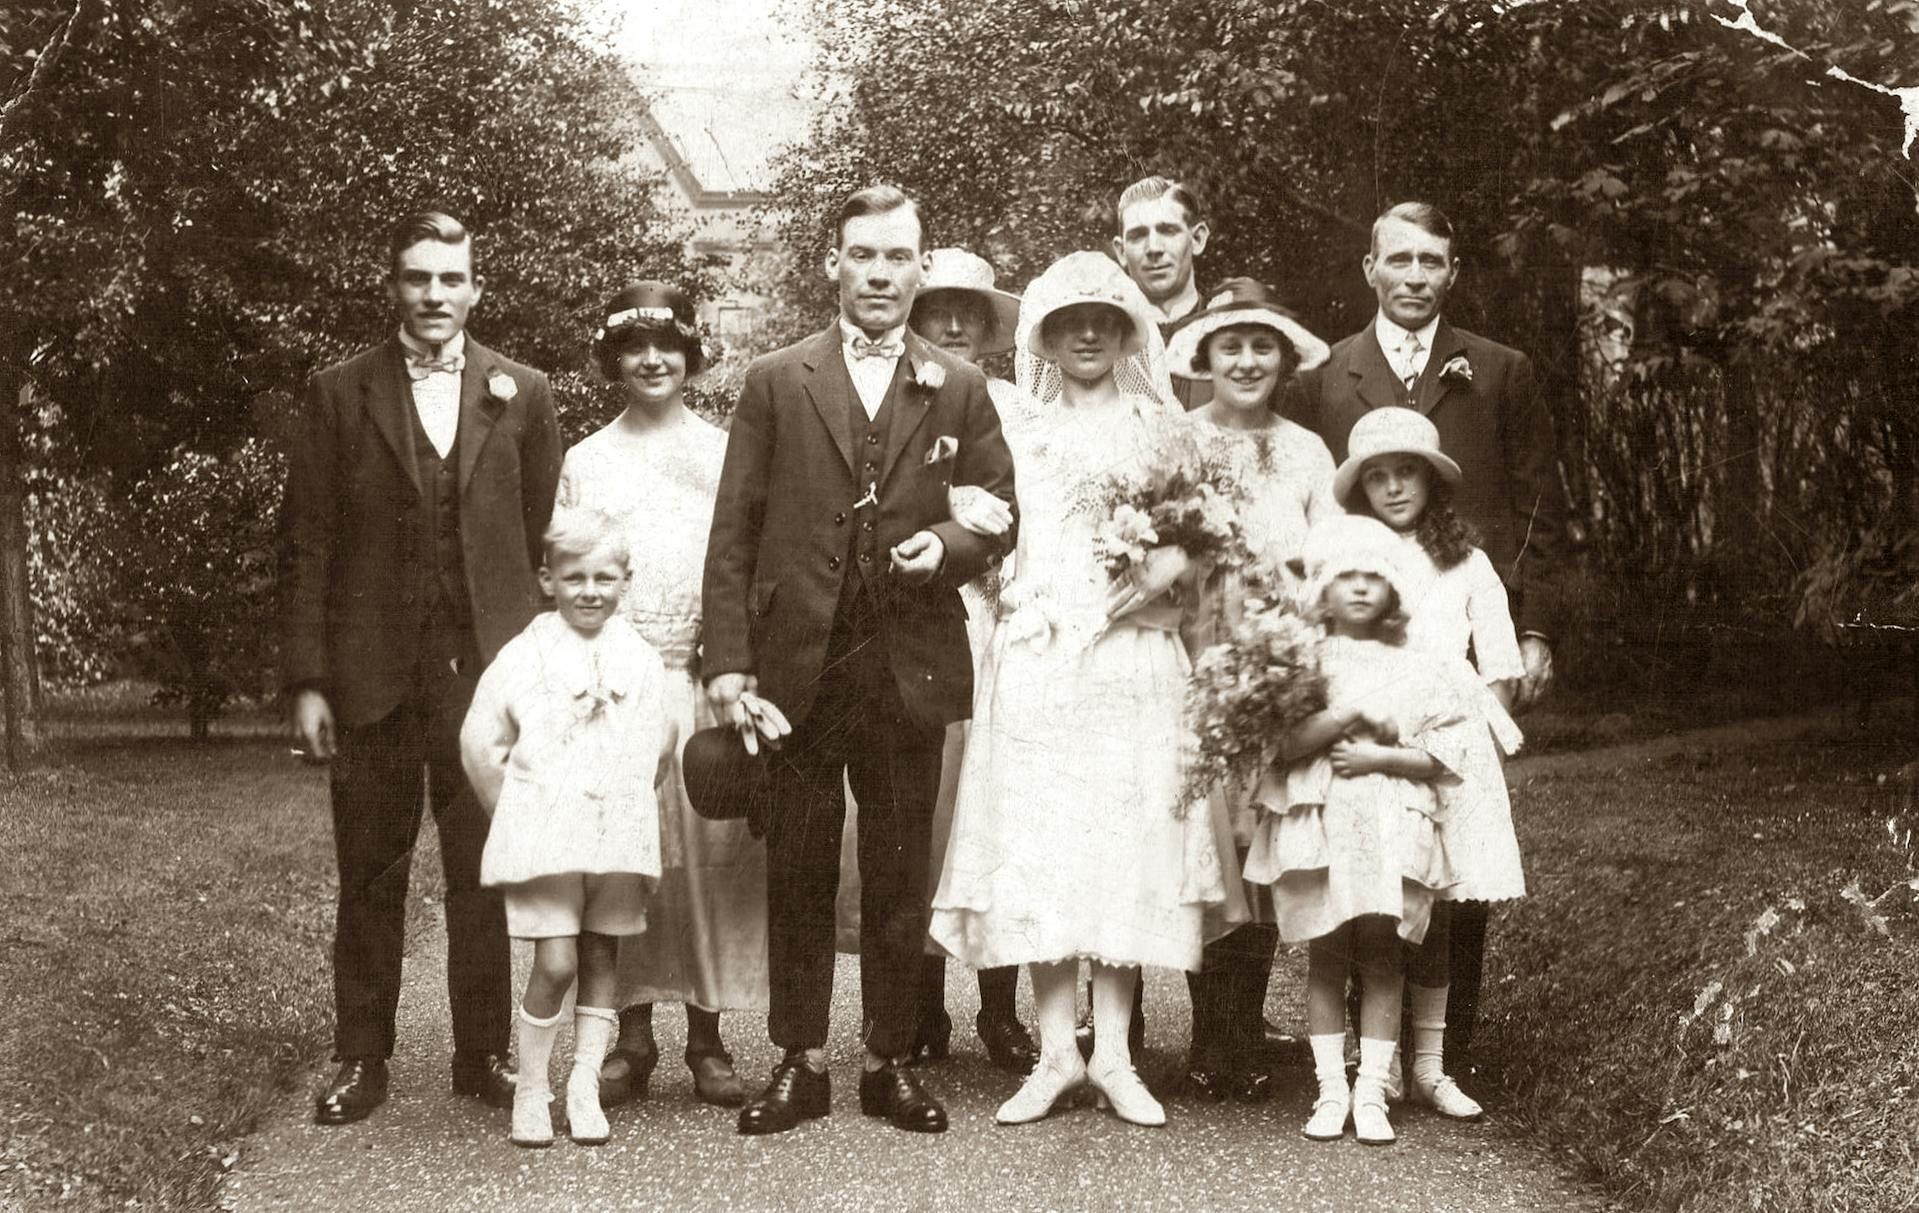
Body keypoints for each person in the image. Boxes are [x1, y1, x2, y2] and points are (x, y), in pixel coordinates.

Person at [702, 185, 1017, 1137]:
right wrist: (727, 662)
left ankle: (888, 1057)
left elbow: (999, 511)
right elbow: (733, 530)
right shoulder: (774, 378)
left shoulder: (958, 385)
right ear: (832, 264)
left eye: (896, 257)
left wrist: (949, 550)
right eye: (862, 256)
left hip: (905, 658)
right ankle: (797, 1058)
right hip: (800, 662)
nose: (879, 274)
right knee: (796, 861)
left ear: (921, 269)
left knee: (893, 863)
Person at [929, 250, 1232, 1129]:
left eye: (1105, 319)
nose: (1088, 333)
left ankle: (1118, 1053)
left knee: (1125, 844)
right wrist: (1004, 592)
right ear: (1046, 338)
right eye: (1070, 322)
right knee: (1045, 845)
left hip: (1133, 659)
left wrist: (1170, 562)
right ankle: (1056, 1050)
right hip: (1039, 655)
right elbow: (981, 524)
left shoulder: (1162, 427)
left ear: (1131, 331)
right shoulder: (1011, 423)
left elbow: (1204, 533)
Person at [280, 210, 561, 1126]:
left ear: (476, 287)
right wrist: (310, 681)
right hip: (371, 677)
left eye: (451, 279)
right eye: (416, 278)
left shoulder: (524, 392)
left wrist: (535, 676)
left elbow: (538, 540)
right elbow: (308, 543)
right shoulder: (338, 392)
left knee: (482, 869)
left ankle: (479, 1054)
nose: (434, 296)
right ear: (391, 286)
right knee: (370, 870)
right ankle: (361, 1056)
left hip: (486, 679)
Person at [1279, 200, 1567, 1062]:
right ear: (1368, 269)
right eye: (1397, 260)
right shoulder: (1325, 375)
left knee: (1456, 843)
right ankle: (1364, 1042)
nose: (1413, 277)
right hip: (1356, 653)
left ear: (1452, 273)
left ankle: (1446, 1046)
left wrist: (1536, 629)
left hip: (1459, 637)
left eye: (1430, 262)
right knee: (1362, 838)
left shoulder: (1500, 369)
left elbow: (1538, 508)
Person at [557, 282, 768, 1110]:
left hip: (701, 677)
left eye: (667, 346)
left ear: (691, 358)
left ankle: (708, 1038)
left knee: (707, 862)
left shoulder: (723, 452)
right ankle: (630, 1033)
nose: (651, 360)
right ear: (614, 360)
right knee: (626, 863)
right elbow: (571, 572)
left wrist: (732, 664)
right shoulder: (586, 460)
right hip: (616, 685)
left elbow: (742, 564)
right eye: (635, 347)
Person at [1244, 513, 1470, 1145]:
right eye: (1348, 576)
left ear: (1395, 589)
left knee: (1381, 953)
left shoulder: (1417, 661)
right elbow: (1285, 746)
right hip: (1324, 825)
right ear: (1323, 588)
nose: (1363, 588)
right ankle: (1330, 1089)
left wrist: (1382, 756)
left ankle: (1372, 1088)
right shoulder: (1306, 658)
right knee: (1326, 954)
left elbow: (1441, 756)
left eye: (1376, 577)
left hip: (1389, 822)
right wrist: (1345, 716)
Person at [1162, 279, 1333, 1103]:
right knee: (1211, 840)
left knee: (1261, 844)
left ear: (1282, 358)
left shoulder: (1306, 449)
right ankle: (1207, 1035)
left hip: (1277, 660)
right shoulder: (1177, 441)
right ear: (1203, 358)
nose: (1245, 359)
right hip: (1193, 656)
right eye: (1228, 345)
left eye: (1261, 345)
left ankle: (1247, 1027)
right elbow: (1149, 553)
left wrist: (1299, 641)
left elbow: (1331, 557)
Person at [1334, 406, 1527, 1121]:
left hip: (1450, 748)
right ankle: (1374, 1061)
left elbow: (1496, 661)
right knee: (1380, 902)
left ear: (1431, 481)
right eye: (1375, 478)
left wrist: (1477, 731)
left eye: (1404, 472)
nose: (1391, 488)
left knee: (1439, 907)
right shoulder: (1350, 561)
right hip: (1378, 742)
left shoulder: (1466, 561)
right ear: (1358, 492)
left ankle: (1429, 1063)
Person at [459, 509, 675, 1147]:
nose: (590, 591)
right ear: (547, 579)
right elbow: (481, 741)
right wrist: (518, 812)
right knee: (554, 961)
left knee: (602, 950)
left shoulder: (637, 657)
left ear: (625, 581)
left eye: (605, 578)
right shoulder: (525, 653)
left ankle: (583, 1083)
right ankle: (532, 1086)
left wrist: (630, 796)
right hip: (546, 838)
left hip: (611, 834)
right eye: (574, 577)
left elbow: (657, 744)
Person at [900, 248, 1036, 1075]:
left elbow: (1033, 513)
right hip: (920, 617)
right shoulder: (891, 395)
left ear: (989, 327)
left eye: (968, 312)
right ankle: (919, 1005)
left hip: (1000, 616)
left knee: (997, 811)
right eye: (938, 308)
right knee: (926, 809)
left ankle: (1000, 1006)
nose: (952, 324)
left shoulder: (1017, 409)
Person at [1113, 175, 1213, 410]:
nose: (1154, 248)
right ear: (1121, 251)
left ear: (1197, 239)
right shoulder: (1105, 347)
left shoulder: (1236, 335)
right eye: (1138, 236)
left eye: (1168, 231)